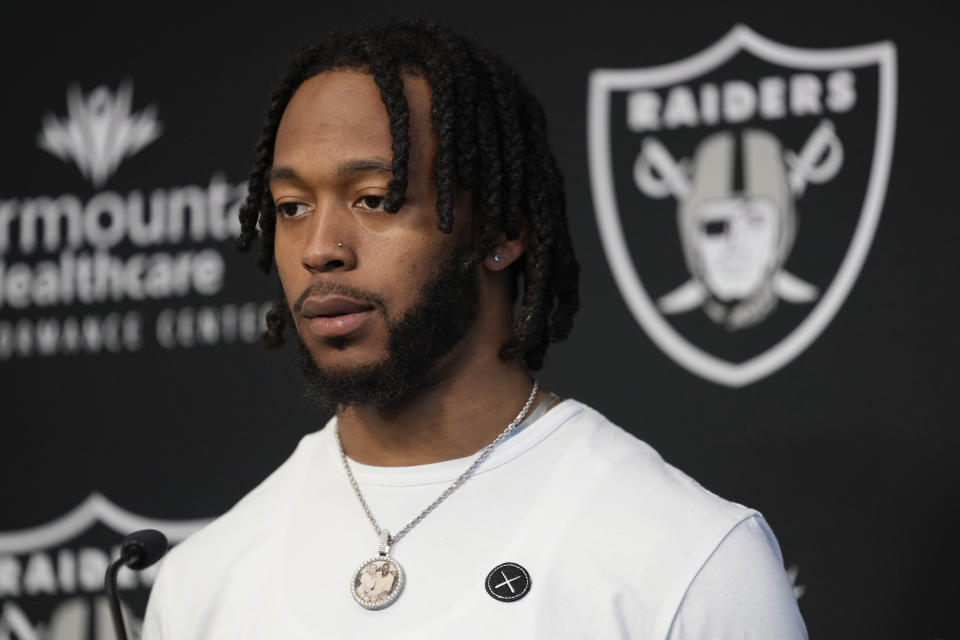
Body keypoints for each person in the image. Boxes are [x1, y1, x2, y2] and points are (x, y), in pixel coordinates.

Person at [142, 20, 807, 639]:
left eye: (375, 199)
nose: (320, 248)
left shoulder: (690, 559)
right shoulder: (201, 579)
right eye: (291, 207)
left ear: (501, 231)